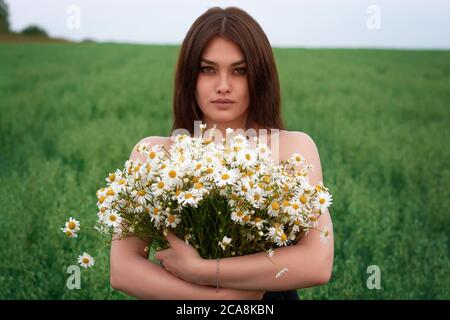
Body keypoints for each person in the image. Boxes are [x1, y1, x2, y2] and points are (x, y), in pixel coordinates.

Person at [110, 6, 334, 300]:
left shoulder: (291, 148)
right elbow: (123, 269)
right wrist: (221, 301)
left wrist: (202, 270)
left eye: (240, 71)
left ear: (259, 77)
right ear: (190, 77)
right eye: (208, 69)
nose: (223, 86)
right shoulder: (153, 153)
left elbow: (317, 263)